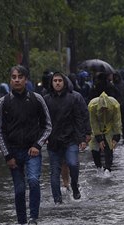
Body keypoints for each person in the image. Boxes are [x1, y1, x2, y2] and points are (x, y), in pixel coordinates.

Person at [0, 65, 52, 225]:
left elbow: (48, 126)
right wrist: (8, 156)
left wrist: (37, 145)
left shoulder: (36, 99)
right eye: (14, 77)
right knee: (19, 189)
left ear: (26, 79)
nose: (17, 80)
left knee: (34, 181)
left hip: (32, 151)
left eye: (20, 77)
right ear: (10, 80)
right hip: (13, 152)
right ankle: (22, 222)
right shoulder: (3, 102)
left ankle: (33, 218)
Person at [43, 72, 90, 203]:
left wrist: (84, 137)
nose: (57, 83)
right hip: (53, 141)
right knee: (54, 172)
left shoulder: (74, 97)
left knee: (73, 164)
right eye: (55, 80)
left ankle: (74, 186)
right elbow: (41, 119)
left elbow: (80, 117)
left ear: (64, 82)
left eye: (60, 80)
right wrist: (42, 136)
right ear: (51, 83)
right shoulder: (46, 99)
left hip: (71, 139)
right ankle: (57, 201)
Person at [88, 92, 122, 176]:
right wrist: (99, 138)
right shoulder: (92, 106)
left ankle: (108, 168)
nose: (104, 110)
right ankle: (98, 167)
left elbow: (117, 121)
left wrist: (116, 136)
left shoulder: (115, 105)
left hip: (109, 125)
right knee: (94, 147)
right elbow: (93, 123)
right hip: (97, 126)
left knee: (110, 146)